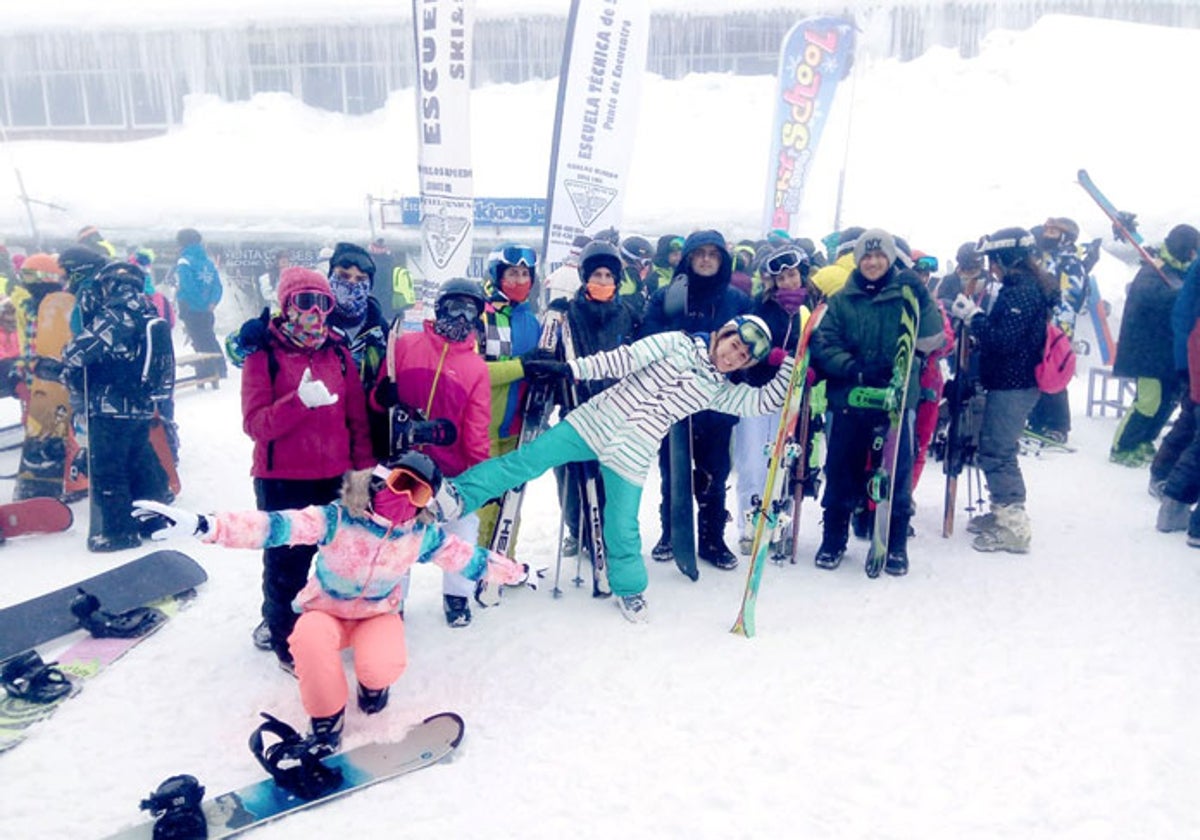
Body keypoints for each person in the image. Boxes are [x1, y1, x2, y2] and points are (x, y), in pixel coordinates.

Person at [131, 450, 529, 755]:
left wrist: (516, 572)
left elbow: (469, 560)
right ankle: (326, 717)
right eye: (402, 483)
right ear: (380, 479)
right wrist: (207, 525)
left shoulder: (419, 535)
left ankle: (374, 688)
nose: (405, 498)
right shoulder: (337, 518)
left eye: (419, 493)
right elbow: (275, 526)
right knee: (308, 641)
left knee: (382, 662)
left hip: (377, 613)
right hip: (328, 609)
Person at [435, 314, 789, 623]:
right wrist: (570, 369)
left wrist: (791, 367)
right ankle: (458, 494)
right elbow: (623, 360)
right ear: (722, 334)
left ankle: (630, 588)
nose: (732, 356)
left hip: (634, 450)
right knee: (526, 461)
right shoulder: (676, 343)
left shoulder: (719, 391)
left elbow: (762, 401)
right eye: (734, 344)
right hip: (596, 420)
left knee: (622, 525)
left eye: (742, 356)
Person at [241, 266, 374, 669]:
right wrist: (299, 402)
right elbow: (255, 424)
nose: (314, 311)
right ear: (286, 304)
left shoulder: (337, 351)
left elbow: (357, 420)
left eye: (322, 302)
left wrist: (361, 478)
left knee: (339, 562)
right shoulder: (264, 353)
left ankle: (328, 629)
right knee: (287, 567)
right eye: (304, 301)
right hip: (283, 481)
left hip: (334, 479)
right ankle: (286, 641)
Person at [810, 229, 946, 575]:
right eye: (866, 256)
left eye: (879, 256)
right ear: (857, 260)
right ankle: (834, 537)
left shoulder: (907, 296)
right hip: (850, 396)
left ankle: (894, 541)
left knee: (896, 470)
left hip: (897, 399)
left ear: (890, 259)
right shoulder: (842, 299)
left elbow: (932, 340)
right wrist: (854, 368)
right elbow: (824, 342)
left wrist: (924, 298)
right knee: (841, 469)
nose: (873, 262)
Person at [371, 278, 493, 627]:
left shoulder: (475, 368)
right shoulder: (406, 346)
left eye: (470, 310)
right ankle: (393, 601)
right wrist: (381, 398)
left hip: (450, 468)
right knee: (396, 535)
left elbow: (477, 428)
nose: (460, 316)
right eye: (454, 306)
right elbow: (378, 397)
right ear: (439, 308)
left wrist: (478, 478)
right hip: (401, 463)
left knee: (461, 533)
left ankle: (457, 596)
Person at [642, 230, 751, 570]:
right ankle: (671, 533)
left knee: (714, 473)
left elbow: (750, 346)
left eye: (713, 254)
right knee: (672, 470)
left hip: (717, 403)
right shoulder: (666, 296)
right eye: (699, 253)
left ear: (722, 260)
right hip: (673, 400)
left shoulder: (737, 300)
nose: (705, 259)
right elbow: (647, 339)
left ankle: (712, 537)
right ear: (688, 258)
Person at [950, 227, 1054, 553]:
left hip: (1015, 382)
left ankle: (1013, 527)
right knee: (992, 447)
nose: (991, 268)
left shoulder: (1021, 291)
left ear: (1007, 258)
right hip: (1010, 380)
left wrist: (974, 317)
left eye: (993, 260)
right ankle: (1001, 513)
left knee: (998, 451)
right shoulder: (1021, 287)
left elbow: (1003, 339)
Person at [56, 262, 172, 551]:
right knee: (139, 461)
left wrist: (65, 355)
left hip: (111, 403)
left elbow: (81, 351)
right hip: (140, 402)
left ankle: (117, 532)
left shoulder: (119, 312)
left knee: (108, 468)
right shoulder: (147, 308)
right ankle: (154, 520)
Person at [551, 240, 639, 563]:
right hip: (577, 406)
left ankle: (607, 531)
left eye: (608, 275)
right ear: (585, 277)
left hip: (617, 410)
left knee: (611, 478)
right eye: (596, 275)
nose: (602, 282)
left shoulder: (628, 315)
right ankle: (578, 529)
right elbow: (555, 356)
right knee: (570, 472)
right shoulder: (568, 313)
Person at [733, 242, 811, 555]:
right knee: (753, 461)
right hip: (758, 392)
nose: (789, 282)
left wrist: (811, 367)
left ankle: (779, 525)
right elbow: (746, 343)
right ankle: (749, 527)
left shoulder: (813, 310)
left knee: (783, 463)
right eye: (782, 278)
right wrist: (769, 355)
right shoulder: (760, 307)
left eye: (793, 275)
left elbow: (822, 344)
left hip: (792, 398)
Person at [1110, 224, 1198, 467]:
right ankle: (1122, 445)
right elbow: (1153, 297)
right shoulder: (1153, 270)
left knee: (1167, 401)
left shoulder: (1180, 272)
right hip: (1146, 353)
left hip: (1167, 352)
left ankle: (1144, 439)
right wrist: (1183, 293)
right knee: (1148, 401)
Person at [476, 243, 543, 556]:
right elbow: (473, 373)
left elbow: (540, 369)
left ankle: (505, 559)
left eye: (524, 273)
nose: (519, 280)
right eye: (512, 273)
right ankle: (475, 564)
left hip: (519, 424)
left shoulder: (532, 320)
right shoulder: (483, 316)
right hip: (482, 425)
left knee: (512, 498)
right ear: (497, 275)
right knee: (485, 501)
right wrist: (521, 366)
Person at [1026, 217, 1090, 444]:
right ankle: (1036, 417)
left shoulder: (1071, 263)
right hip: (1037, 324)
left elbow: (1071, 298)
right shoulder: (1040, 257)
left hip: (1058, 327)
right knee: (1036, 370)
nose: (1047, 235)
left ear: (1066, 237)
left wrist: (1054, 322)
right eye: (1047, 230)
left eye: (1054, 232)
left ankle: (1058, 424)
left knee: (1053, 373)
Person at [325, 242, 391, 459]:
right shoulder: (310, 321)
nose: (351, 283)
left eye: (361, 279)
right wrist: (249, 338)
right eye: (344, 276)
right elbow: (239, 355)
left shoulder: (380, 330)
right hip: (317, 441)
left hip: (365, 442)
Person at [174, 228, 226, 383]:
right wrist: (212, 302)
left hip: (191, 309)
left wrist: (200, 304)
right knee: (210, 337)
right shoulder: (208, 262)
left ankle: (207, 371)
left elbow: (187, 286)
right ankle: (220, 367)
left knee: (199, 341)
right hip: (208, 310)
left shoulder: (184, 261)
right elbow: (217, 286)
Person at [935, 242, 989, 309]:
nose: (973, 271)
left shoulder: (990, 281)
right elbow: (940, 302)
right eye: (969, 269)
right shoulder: (948, 281)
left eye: (977, 268)